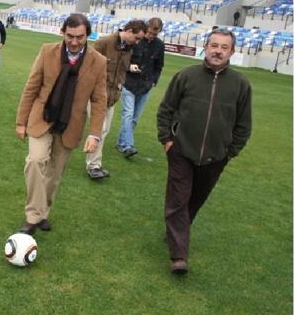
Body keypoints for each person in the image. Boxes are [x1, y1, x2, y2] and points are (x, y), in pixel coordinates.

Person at [157, 28, 252, 274]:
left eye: (224, 47)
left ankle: (176, 232)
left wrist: (231, 151)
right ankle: (179, 256)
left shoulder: (240, 84)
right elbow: (166, 109)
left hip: (216, 156)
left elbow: (244, 123)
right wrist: (167, 139)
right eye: (214, 45)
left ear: (232, 51)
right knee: (178, 200)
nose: (218, 51)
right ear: (206, 47)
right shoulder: (186, 76)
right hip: (181, 150)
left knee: (195, 200)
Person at [15, 13, 107, 235]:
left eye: (80, 37)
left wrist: (95, 134)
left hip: (70, 125)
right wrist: (21, 122)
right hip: (41, 118)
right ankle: (33, 216)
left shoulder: (99, 62)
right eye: (70, 36)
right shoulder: (48, 51)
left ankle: (43, 212)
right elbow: (32, 87)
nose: (74, 42)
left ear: (88, 35)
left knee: (54, 175)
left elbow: (99, 100)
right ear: (62, 32)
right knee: (36, 161)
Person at [85, 20, 147, 179]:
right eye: (137, 37)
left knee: (103, 131)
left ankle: (94, 163)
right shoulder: (103, 43)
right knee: (100, 129)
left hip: (112, 97)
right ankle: (93, 166)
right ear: (129, 30)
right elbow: (89, 68)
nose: (138, 42)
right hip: (96, 95)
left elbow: (119, 71)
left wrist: (126, 72)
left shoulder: (129, 49)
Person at [116, 17, 165, 157]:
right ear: (146, 29)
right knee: (128, 114)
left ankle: (121, 142)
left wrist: (154, 80)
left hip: (145, 86)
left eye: (155, 34)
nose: (151, 36)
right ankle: (128, 146)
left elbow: (159, 66)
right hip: (129, 83)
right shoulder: (134, 40)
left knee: (135, 118)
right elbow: (122, 58)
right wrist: (129, 67)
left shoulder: (160, 45)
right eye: (149, 32)